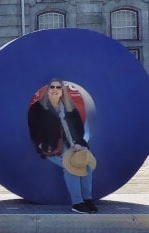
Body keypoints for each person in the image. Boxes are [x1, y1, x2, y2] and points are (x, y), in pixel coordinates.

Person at [28, 79, 97, 214]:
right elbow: (33, 128)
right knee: (71, 166)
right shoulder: (38, 108)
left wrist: (78, 142)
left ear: (62, 91)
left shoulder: (69, 107)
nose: (55, 89)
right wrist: (40, 143)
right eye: (52, 87)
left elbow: (79, 128)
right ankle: (77, 203)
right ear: (47, 90)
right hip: (52, 145)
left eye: (58, 87)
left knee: (86, 163)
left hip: (74, 144)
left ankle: (88, 199)